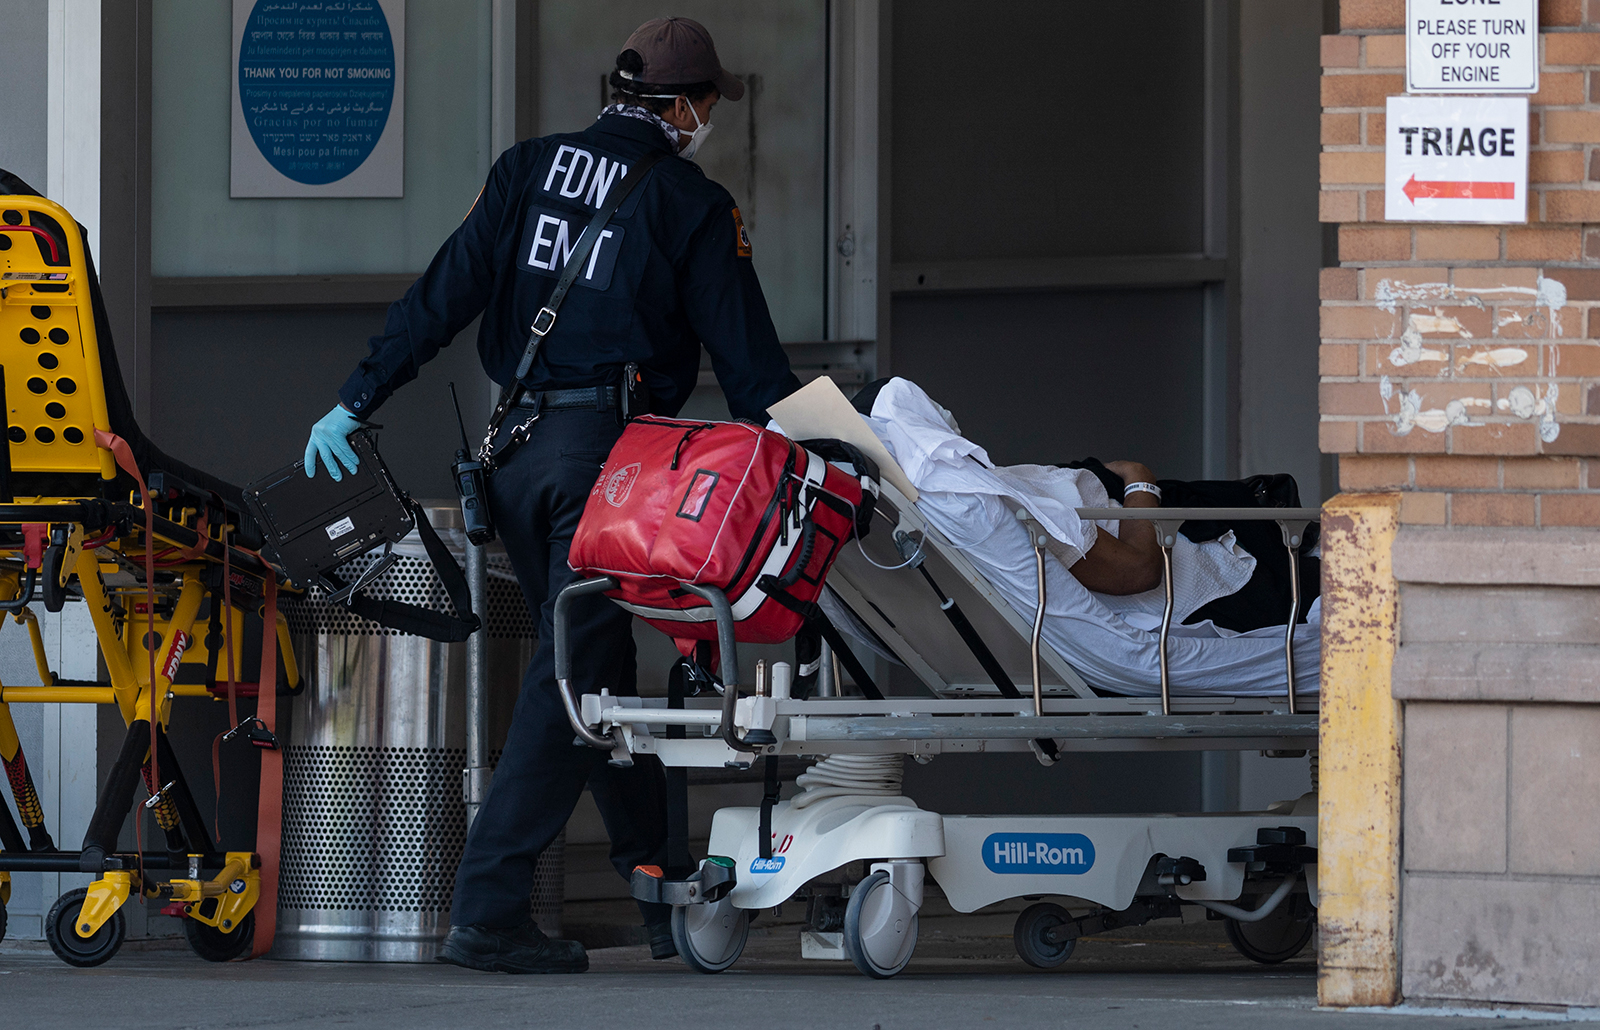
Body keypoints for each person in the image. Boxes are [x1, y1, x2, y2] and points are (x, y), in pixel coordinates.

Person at [302, 17, 800, 974]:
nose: (707, 123)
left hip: (515, 454)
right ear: (686, 107)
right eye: (708, 107)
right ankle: (488, 907)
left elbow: (442, 294)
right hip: (606, 467)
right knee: (578, 677)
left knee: (599, 668)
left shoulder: (526, 166)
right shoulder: (692, 203)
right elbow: (752, 370)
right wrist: (819, 450)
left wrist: (355, 400)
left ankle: (658, 882)